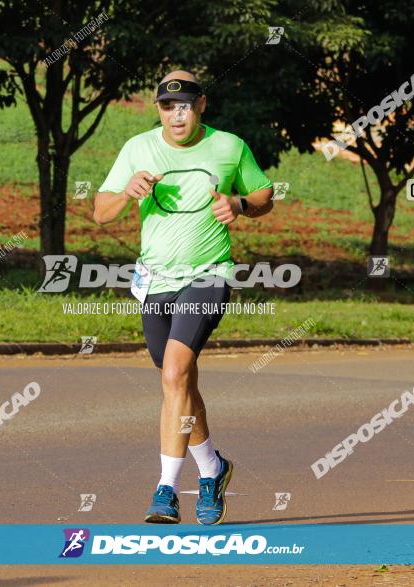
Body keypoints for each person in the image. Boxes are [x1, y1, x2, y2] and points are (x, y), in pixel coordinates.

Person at [93, 70, 274, 525]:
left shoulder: (229, 146)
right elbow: (100, 213)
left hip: (209, 274)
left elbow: (265, 195)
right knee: (179, 383)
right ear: (158, 109)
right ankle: (213, 469)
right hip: (155, 280)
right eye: (169, 106)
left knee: (175, 371)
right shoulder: (137, 148)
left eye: (187, 104)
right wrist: (127, 193)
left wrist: (238, 205)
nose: (178, 114)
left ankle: (166, 489)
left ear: (201, 105)